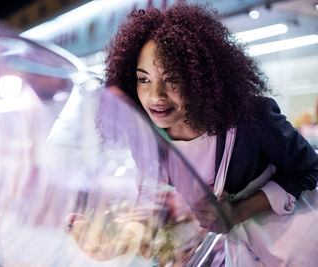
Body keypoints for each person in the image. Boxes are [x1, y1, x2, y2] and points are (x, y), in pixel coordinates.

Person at [67, 4, 318, 266]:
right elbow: (159, 212)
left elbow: (309, 169)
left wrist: (237, 212)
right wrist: (119, 242)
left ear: (201, 78)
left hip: (301, 247)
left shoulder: (251, 118)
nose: (156, 96)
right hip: (243, 257)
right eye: (144, 79)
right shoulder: (147, 142)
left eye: (172, 78)